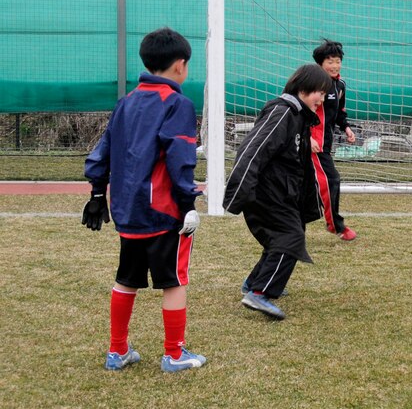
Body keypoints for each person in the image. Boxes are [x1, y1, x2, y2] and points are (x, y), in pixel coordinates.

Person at [83, 27, 205, 373]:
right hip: (163, 212)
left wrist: (96, 193)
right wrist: (189, 205)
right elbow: (180, 157)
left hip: (127, 209)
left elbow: (102, 150)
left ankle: (117, 351)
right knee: (174, 280)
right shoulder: (177, 103)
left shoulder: (127, 101)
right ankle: (174, 354)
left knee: (126, 278)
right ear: (180, 65)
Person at [223, 63, 331, 320]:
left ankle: (253, 283)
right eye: (319, 93)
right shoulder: (282, 112)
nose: (322, 100)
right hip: (264, 193)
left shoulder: (298, 117)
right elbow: (254, 148)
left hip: (282, 194)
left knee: (285, 237)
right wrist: (239, 188)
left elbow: (294, 164)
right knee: (290, 237)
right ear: (304, 89)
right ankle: (260, 293)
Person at [310, 39, 358, 241]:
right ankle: (335, 225)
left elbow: (339, 113)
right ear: (321, 63)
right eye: (330, 61)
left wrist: (346, 128)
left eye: (337, 61)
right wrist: (307, 137)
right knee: (331, 181)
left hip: (324, 145)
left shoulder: (340, 85)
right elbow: (299, 112)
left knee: (302, 186)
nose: (334, 65)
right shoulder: (312, 83)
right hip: (311, 146)